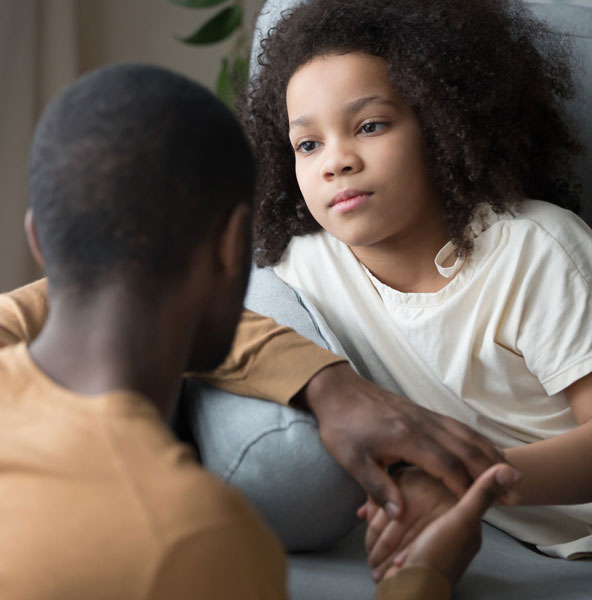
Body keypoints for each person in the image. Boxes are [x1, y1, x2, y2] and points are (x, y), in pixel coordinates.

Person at [0, 60, 520, 599]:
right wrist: (424, 576)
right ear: (233, 247)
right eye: (307, 144)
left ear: (40, 240)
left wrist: (326, 382)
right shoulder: (196, 539)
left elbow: (96, 296)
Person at [235, 0, 592, 561]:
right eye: (308, 144)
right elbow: (180, 304)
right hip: (493, 533)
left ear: (441, 122)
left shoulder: (535, 251)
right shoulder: (305, 263)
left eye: (370, 125)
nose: (336, 161)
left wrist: (462, 477)